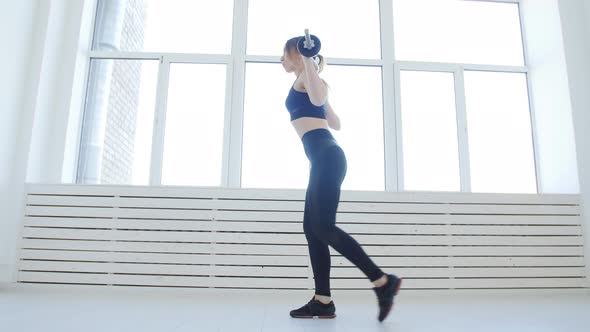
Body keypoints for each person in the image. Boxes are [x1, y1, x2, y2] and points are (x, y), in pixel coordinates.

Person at [280, 36, 403, 322]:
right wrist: (313, 80)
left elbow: (320, 101)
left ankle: (382, 281)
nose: (281, 60)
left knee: (322, 227)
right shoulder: (307, 82)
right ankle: (323, 300)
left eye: (284, 54)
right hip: (324, 157)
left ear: (297, 53)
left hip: (326, 157)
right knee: (312, 229)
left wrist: (309, 60)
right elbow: (335, 122)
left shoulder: (308, 81)